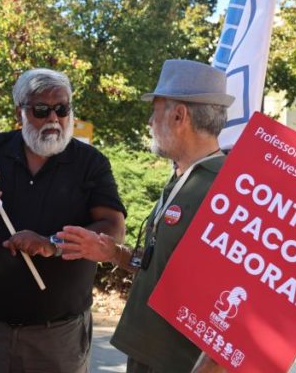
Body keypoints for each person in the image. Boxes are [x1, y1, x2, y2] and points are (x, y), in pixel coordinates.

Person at [56, 59, 234, 373]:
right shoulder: (184, 177)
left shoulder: (225, 189)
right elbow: (163, 266)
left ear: (179, 115)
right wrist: (113, 253)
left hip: (180, 363)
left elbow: (239, 300)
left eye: (155, 111)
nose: (150, 122)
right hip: (150, 355)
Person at [0, 68, 126, 373]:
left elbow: (113, 229)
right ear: (19, 113)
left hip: (57, 335)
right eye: (41, 110)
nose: (53, 119)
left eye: (62, 109)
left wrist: (52, 244)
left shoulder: (90, 163)